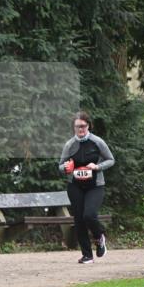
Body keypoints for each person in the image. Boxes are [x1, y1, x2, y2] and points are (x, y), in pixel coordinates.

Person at [58, 111, 114, 264]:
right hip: (75, 186)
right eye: (77, 127)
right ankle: (87, 255)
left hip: (95, 185)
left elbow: (111, 160)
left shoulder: (97, 142)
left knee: (89, 215)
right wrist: (66, 168)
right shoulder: (70, 145)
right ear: (73, 128)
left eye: (83, 126)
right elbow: (60, 166)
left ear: (88, 126)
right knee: (79, 220)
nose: (80, 130)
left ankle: (99, 236)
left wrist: (97, 166)